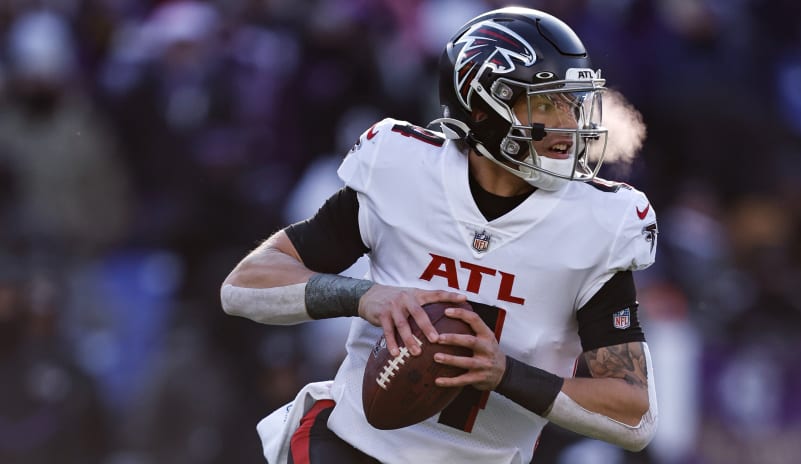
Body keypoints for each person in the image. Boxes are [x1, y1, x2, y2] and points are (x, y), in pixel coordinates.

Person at [222, 6, 659, 464]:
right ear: (484, 109)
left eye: (573, 103)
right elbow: (244, 286)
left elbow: (634, 415)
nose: (569, 125)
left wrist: (503, 373)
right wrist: (364, 296)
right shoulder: (403, 170)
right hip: (350, 447)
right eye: (546, 104)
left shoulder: (599, 222)